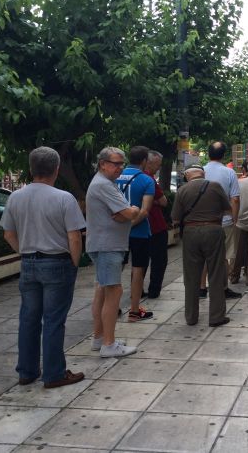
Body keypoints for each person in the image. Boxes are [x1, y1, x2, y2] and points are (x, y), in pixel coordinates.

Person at [0, 146, 86, 389]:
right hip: (58, 262)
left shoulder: (15, 197)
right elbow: (75, 237)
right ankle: (54, 374)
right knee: (54, 320)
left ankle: (27, 371)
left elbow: (8, 234)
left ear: (31, 169)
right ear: (56, 169)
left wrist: (25, 252)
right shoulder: (63, 198)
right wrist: (74, 262)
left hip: (29, 263)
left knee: (28, 319)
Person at [86, 147, 140, 358]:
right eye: (116, 163)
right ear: (103, 164)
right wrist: (133, 209)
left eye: (122, 163)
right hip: (108, 245)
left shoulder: (105, 183)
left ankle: (99, 338)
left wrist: (126, 213)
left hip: (104, 243)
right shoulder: (103, 185)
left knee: (102, 289)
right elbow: (127, 212)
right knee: (113, 291)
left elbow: (123, 214)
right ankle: (109, 344)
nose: (120, 167)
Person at [171, 165, 231, 327]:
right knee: (216, 273)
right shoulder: (215, 186)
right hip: (213, 230)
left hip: (190, 232)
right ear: (203, 174)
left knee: (191, 276)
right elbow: (228, 208)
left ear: (187, 175)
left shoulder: (182, 190)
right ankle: (216, 317)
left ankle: (191, 317)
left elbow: (175, 218)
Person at [115, 145, 155, 321]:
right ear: (145, 160)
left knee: (116, 268)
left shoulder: (114, 178)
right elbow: (145, 211)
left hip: (116, 232)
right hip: (139, 233)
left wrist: (122, 227)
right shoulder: (147, 180)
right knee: (138, 269)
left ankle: (113, 306)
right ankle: (134, 310)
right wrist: (131, 225)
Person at [200, 141, 242, 300]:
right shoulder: (229, 172)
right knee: (224, 256)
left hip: (202, 221)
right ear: (224, 155)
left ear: (208, 153)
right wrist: (234, 218)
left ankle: (201, 287)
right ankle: (223, 288)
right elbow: (235, 199)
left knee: (204, 255)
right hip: (223, 221)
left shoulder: (200, 171)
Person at [144, 150, 168, 299]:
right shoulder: (149, 179)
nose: (158, 168)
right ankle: (154, 291)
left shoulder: (131, 177)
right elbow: (164, 201)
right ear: (148, 162)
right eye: (157, 165)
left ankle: (138, 289)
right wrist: (154, 201)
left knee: (140, 262)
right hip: (156, 226)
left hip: (140, 227)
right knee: (159, 261)